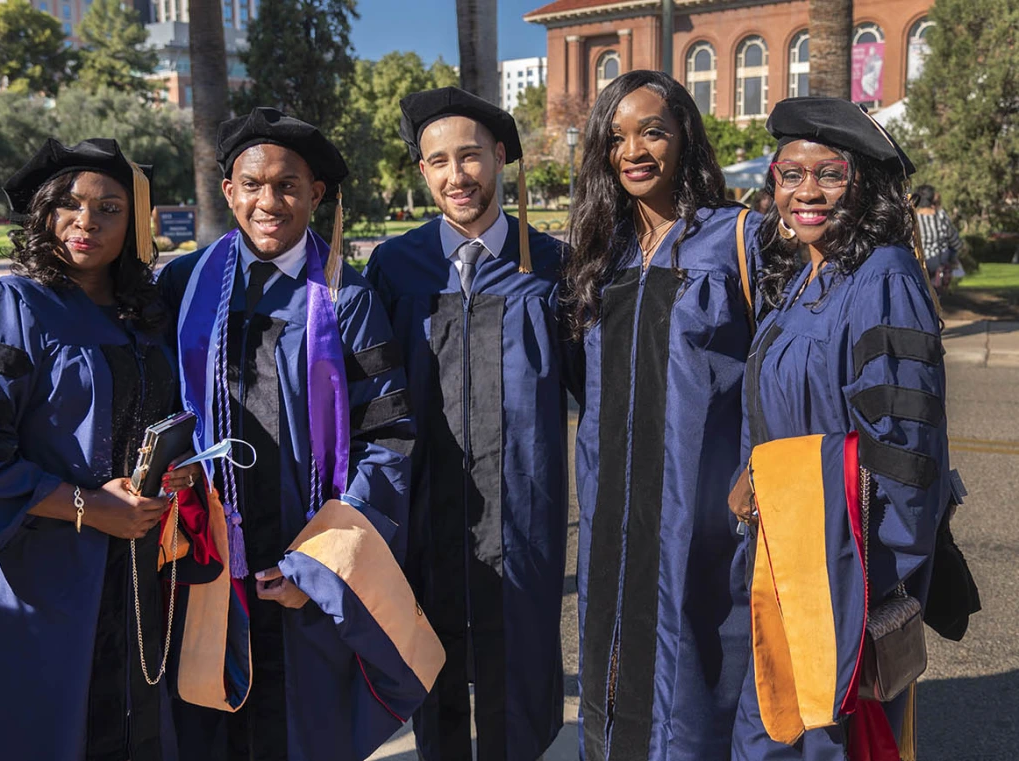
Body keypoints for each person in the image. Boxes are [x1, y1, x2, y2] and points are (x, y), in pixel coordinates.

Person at [0, 138, 205, 761]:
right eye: (68, 204)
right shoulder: (10, 304)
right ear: (42, 212)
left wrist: (168, 472)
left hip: (131, 566)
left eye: (111, 208)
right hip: (36, 570)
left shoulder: (143, 314)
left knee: (128, 725)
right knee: (40, 729)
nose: (86, 221)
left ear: (135, 222)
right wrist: (86, 505)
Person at [157, 107, 440, 761]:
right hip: (207, 558)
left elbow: (388, 436)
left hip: (304, 553)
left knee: (302, 728)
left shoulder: (346, 298)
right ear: (228, 190)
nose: (269, 200)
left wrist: (314, 567)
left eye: (288, 185)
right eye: (253, 183)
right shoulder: (185, 282)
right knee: (208, 721)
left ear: (316, 194)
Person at [727, 97, 949, 760]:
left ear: (866, 185)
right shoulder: (804, 277)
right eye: (789, 174)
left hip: (842, 579)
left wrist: (877, 589)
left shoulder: (885, 278)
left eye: (828, 173)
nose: (806, 192)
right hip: (787, 564)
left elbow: (905, 452)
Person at [364, 86, 579, 761]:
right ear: (422, 172)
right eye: (438, 162)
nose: (457, 176)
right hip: (426, 508)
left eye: (470, 156)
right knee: (435, 667)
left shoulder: (551, 265)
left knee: (520, 660)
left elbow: (596, 391)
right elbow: (374, 398)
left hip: (525, 508)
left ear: (502, 157)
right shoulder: (394, 268)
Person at [565, 70, 760, 761]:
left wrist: (760, 472)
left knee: (701, 672)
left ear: (683, 136)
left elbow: (788, 363)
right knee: (614, 668)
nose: (634, 150)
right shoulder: (604, 252)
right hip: (614, 508)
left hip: (701, 508)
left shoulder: (739, 237)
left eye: (652, 130)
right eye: (616, 137)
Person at [912, 184, 963, 292]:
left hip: (919, 260)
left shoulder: (913, 217)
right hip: (938, 261)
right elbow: (953, 238)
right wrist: (958, 248)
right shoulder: (940, 215)